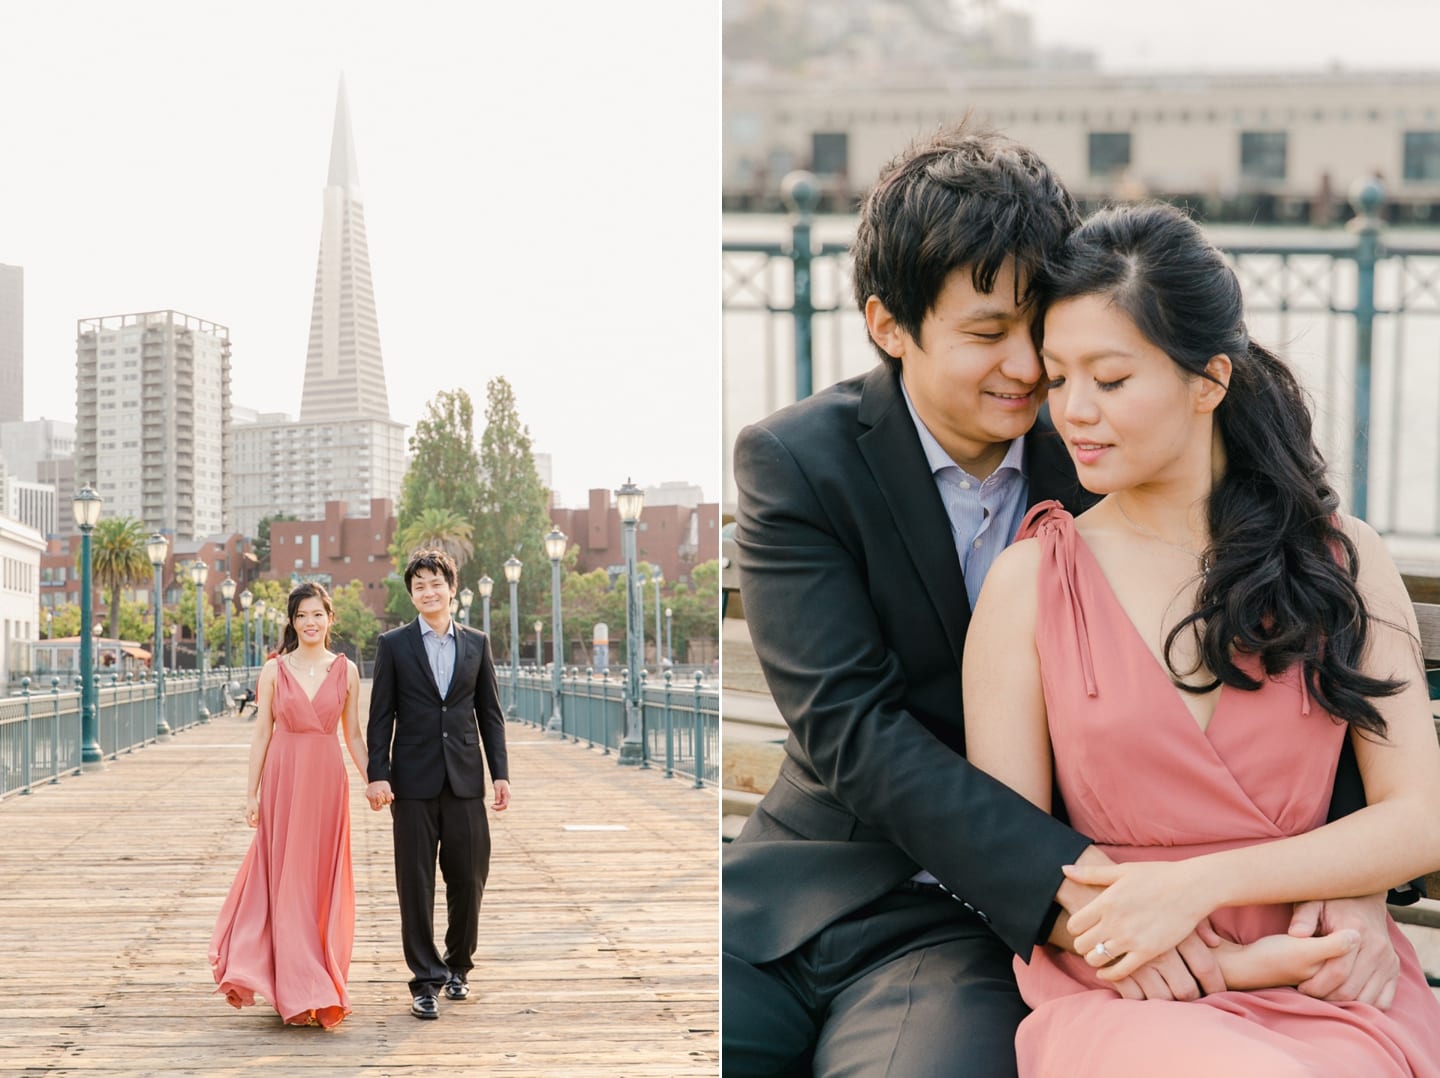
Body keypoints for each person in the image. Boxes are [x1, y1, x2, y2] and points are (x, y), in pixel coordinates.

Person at [721, 121, 1414, 1077]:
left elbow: (1288, 653)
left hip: (978, 941)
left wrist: (1363, 883)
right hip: (838, 885)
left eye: (1039, 332)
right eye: (987, 334)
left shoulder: (1110, 448)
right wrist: (1092, 910)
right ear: (890, 328)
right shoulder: (802, 461)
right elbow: (852, 731)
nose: (1034, 377)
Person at [964, 201, 1440, 1074]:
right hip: (1124, 985)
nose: (1074, 412)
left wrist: (1204, 884)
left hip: (1332, 978)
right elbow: (1013, 857)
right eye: (1058, 378)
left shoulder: (1339, 558)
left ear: (1209, 380)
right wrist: (1217, 960)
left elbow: (1422, 817)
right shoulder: (1030, 583)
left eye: (1109, 381)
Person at [209, 582, 368, 1028]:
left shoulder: (347, 670)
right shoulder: (275, 670)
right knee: (288, 882)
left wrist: (375, 778)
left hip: (327, 782)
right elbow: (261, 733)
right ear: (292, 622)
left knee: (320, 883)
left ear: (330, 619)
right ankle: (297, 990)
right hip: (284, 779)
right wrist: (250, 793)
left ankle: (319, 980)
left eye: (318, 614)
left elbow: (353, 734)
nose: (310, 623)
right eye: (302, 616)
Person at [366, 548, 511, 1021]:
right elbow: (380, 716)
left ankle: (458, 966)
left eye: (435, 583)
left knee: (469, 878)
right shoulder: (393, 645)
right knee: (416, 882)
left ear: (452, 588)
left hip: (466, 778)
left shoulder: (477, 643)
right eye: (419, 586)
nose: (428, 592)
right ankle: (425, 980)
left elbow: (489, 715)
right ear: (411, 594)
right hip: (411, 782)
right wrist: (378, 773)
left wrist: (501, 774)